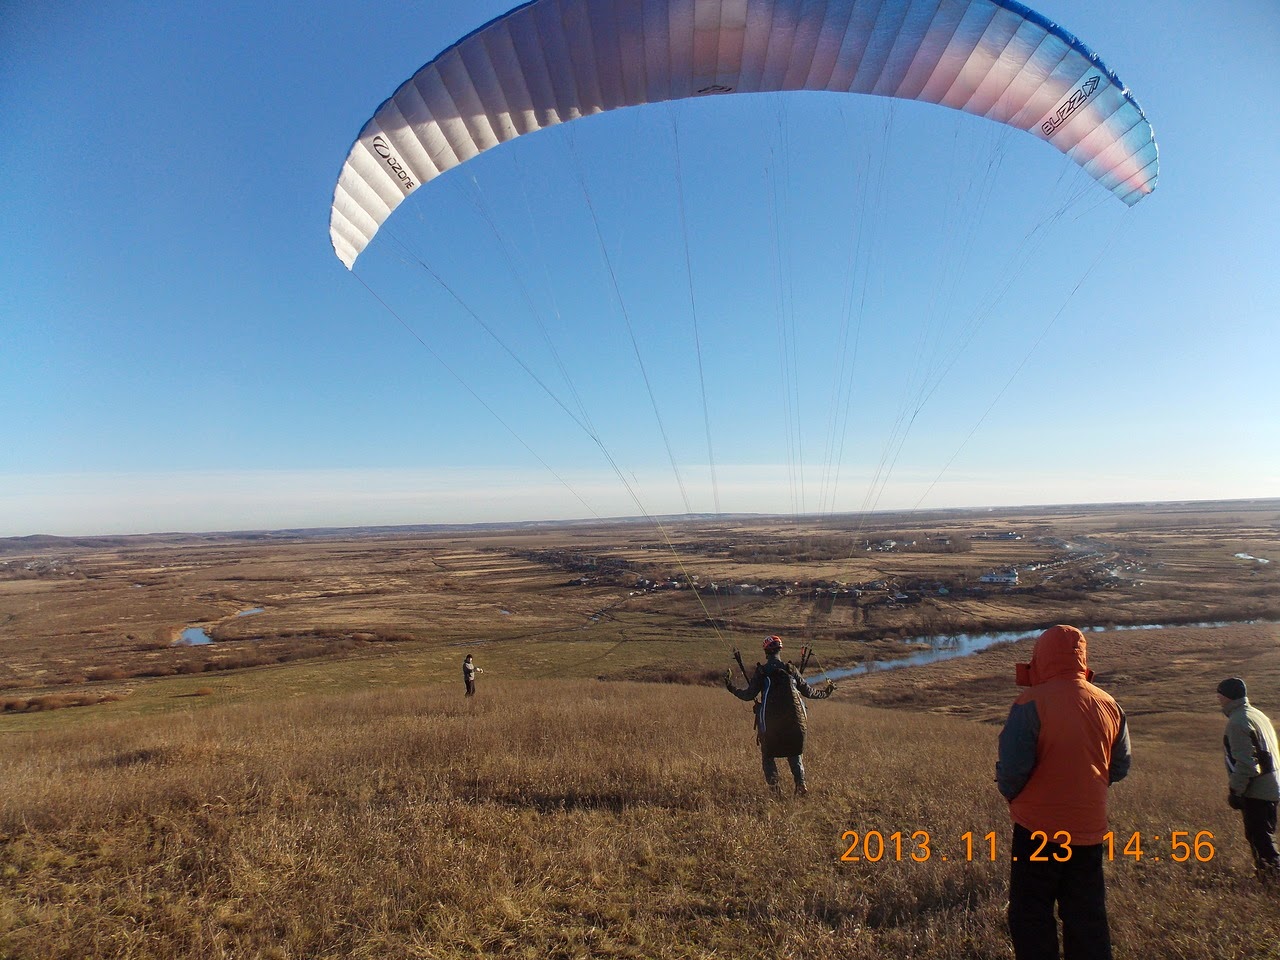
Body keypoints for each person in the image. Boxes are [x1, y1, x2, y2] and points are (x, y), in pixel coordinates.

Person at [996, 624, 1131, 960]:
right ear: (1081, 658)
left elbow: (1012, 771)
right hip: (1089, 830)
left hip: (1037, 830)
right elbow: (1119, 767)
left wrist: (1013, 796)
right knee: (1087, 917)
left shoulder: (1030, 702)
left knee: (1031, 914)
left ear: (1041, 656)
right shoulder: (1110, 704)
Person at [725, 635, 834, 795]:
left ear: (766, 652)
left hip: (771, 726)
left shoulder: (762, 672)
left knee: (768, 756)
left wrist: (731, 687)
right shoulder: (791, 669)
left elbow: (748, 695)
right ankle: (801, 784)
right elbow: (809, 692)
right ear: (779, 650)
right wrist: (826, 692)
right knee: (794, 752)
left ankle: (775, 791)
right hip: (795, 724)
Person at [1216, 677, 1279, 881]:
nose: (1218, 698)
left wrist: (1236, 791)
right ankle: (1267, 881)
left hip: (1256, 791)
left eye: (1220, 694)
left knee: (1262, 844)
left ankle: (1273, 883)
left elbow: (1247, 764)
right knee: (1264, 839)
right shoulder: (1257, 715)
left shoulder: (1238, 722)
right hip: (1270, 788)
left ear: (1228, 696)